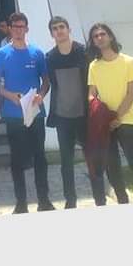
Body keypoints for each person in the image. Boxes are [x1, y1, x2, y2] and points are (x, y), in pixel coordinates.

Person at [86, 22, 133, 204]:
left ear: (110, 37)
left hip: (125, 120)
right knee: (112, 165)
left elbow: (131, 93)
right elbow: (91, 93)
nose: (99, 38)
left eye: (102, 34)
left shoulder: (128, 62)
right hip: (105, 123)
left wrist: (117, 117)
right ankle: (122, 201)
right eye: (95, 36)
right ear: (93, 42)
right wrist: (95, 106)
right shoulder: (94, 66)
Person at [0, 12, 54, 214]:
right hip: (13, 113)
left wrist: (41, 95)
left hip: (35, 112)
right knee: (17, 159)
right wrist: (9, 95)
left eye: (22, 26)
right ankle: (21, 203)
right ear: (10, 29)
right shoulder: (2, 54)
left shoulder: (37, 53)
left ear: (27, 28)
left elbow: (46, 80)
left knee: (39, 157)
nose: (19, 30)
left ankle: (44, 200)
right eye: (15, 27)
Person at [45, 16, 102, 208]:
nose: (59, 30)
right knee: (66, 162)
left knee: (92, 159)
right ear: (51, 34)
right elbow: (52, 84)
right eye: (55, 28)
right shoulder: (50, 57)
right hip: (63, 117)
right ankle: (70, 201)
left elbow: (94, 81)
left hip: (85, 116)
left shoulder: (83, 52)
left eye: (62, 27)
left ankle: (100, 199)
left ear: (69, 30)